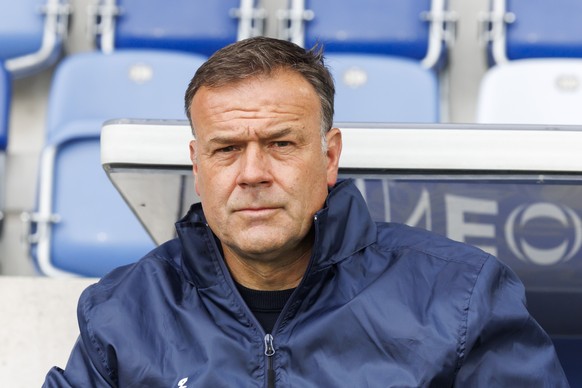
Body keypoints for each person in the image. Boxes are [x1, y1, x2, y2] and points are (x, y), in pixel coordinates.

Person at [43, 36, 569, 387]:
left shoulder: (459, 299)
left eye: (281, 144)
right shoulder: (121, 315)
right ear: (197, 165)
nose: (252, 173)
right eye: (226, 149)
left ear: (330, 156)